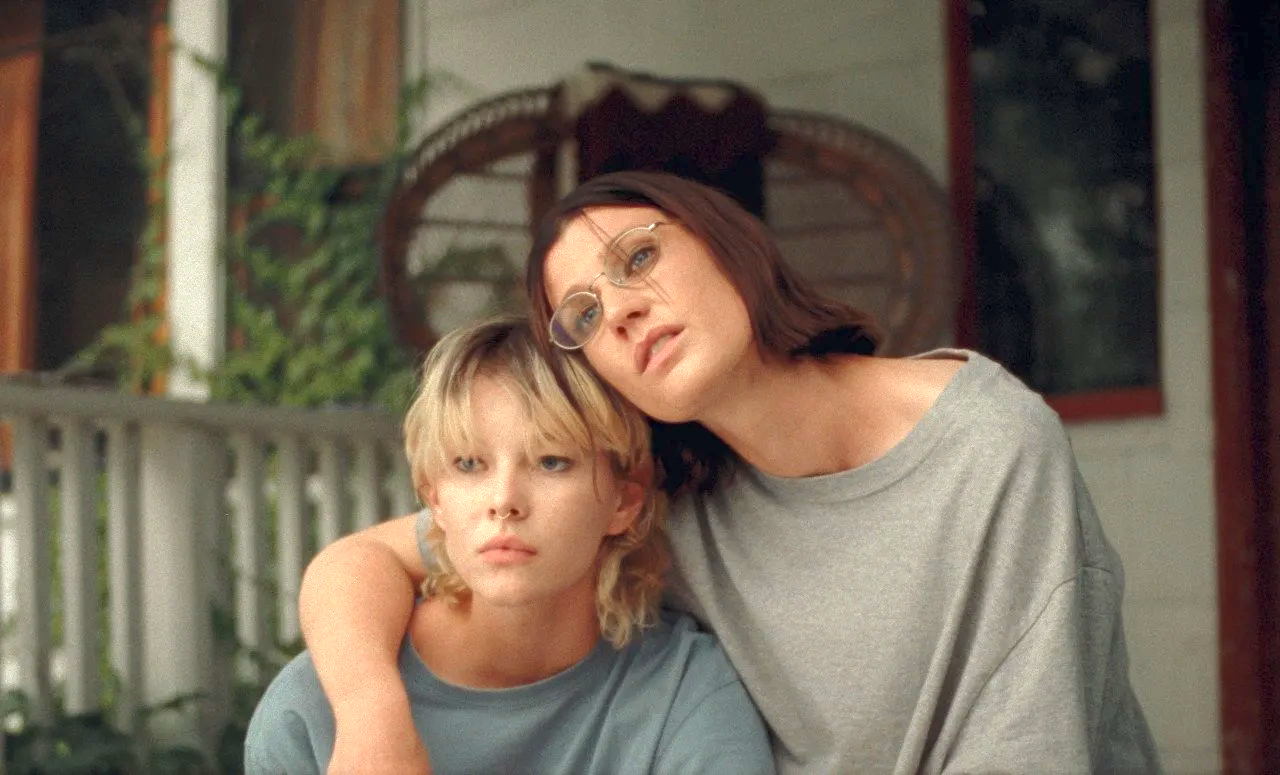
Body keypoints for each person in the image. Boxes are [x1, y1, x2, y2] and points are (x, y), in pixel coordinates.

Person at [299, 172, 1162, 774]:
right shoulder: (658, 504)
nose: (621, 309)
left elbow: (1032, 745)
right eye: (584, 316)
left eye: (637, 259)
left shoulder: (988, 443)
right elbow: (359, 562)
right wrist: (375, 721)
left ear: (728, 241)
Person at [245, 316, 775, 775]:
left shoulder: (685, 694)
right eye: (469, 464)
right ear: (435, 498)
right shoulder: (314, 711)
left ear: (623, 502)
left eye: (552, 462)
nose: (504, 501)